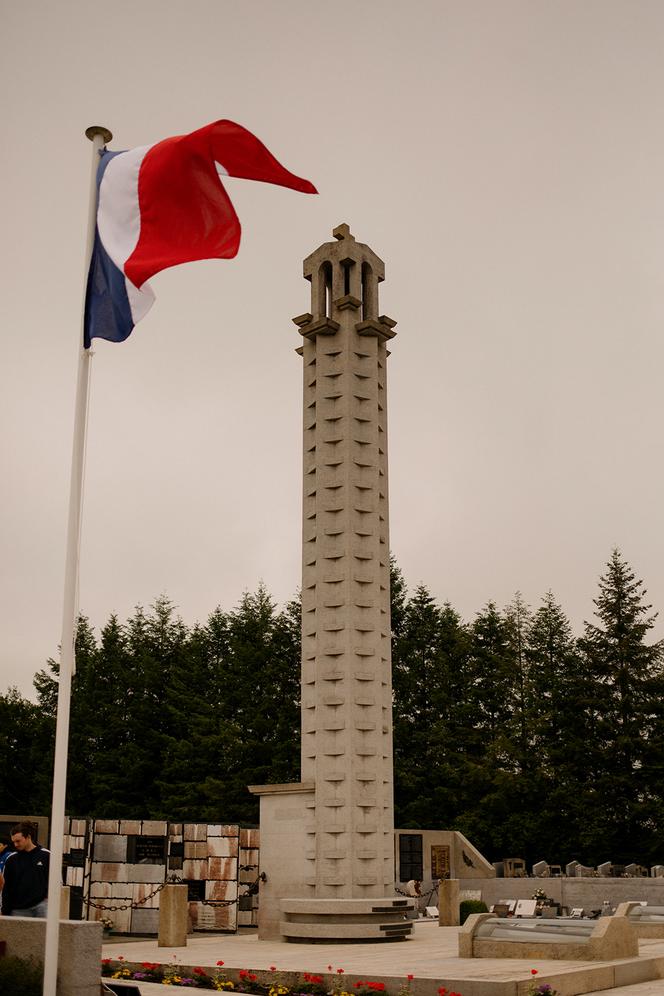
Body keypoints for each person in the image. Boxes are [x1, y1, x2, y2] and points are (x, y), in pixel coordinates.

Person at [0, 822, 50, 917]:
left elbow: (56, 881)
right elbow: (6, 887)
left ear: (28, 837)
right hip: (18, 909)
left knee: (44, 932)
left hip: (41, 906)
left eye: (18, 841)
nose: (15, 844)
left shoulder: (46, 855)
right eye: (13, 842)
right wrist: (4, 910)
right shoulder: (11, 859)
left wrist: (48, 899)